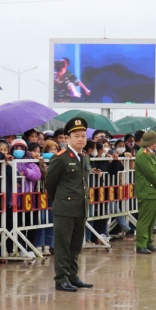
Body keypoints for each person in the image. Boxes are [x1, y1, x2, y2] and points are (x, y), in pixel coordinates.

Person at [45, 117, 93, 292]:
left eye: (83, 136)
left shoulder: (84, 157)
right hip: (65, 208)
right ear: (67, 138)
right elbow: (50, 183)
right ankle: (61, 279)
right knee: (63, 245)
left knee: (75, 244)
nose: (81, 139)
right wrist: (60, 201)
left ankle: (73, 276)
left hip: (81, 208)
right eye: (77, 136)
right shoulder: (61, 158)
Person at [134, 131, 156, 254]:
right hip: (147, 191)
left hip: (154, 191)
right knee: (145, 219)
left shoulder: (150, 154)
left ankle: (149, 243)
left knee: (152, 220)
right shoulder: (143, 154)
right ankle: (141, 244)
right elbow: (150, 172)